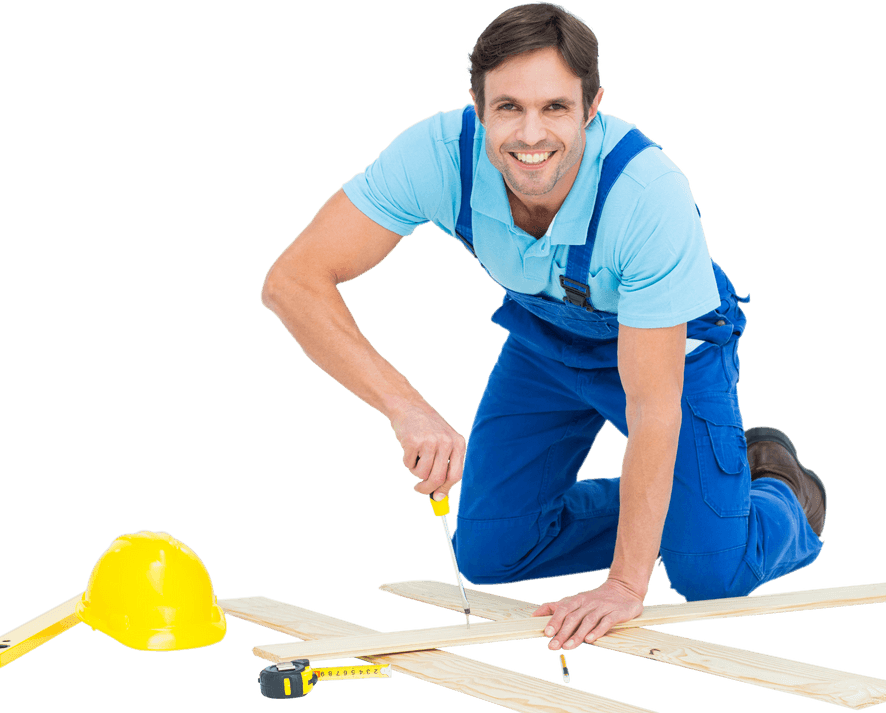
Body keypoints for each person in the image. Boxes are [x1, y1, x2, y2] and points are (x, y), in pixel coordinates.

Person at [259, 3, 826, 653]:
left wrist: (624, 582)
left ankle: (775, 489)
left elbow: (653, 405)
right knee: (492, 551)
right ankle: (692, 498)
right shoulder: (439, 157)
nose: (530, 136)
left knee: (710, 574)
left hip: (673, 353)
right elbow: (292, 281)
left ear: (592, 108)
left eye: (555, 107)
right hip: (548, 339)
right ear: (477, 106)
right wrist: (406, 408)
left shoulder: (644, 196)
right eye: (508, 108)